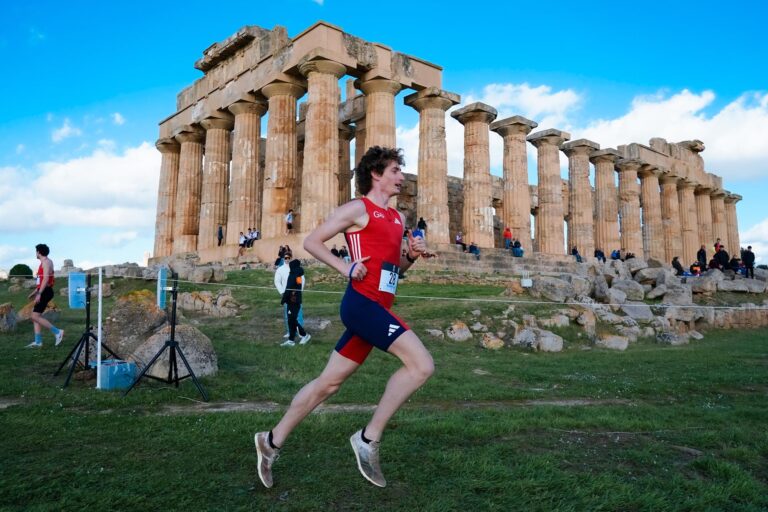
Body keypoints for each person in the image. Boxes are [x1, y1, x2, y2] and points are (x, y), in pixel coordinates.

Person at [254, 146, 433, 489]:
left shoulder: (398, 218)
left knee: (329, 384)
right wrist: (345, 266)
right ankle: (368, 439)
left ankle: (270, 441)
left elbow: (395, 268)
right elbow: (312, 241)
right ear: (376, 174)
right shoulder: (358, 209)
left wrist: (411, 256)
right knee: (421, 365)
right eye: (395, 170)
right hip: (361, 304)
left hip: (379, 306)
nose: (401, 177)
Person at [26, 244, 64, 348]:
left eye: (36, 251)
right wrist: (35, 292)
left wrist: (39, 293)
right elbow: (41, 281)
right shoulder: (43, 262)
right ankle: (38, 342)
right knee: (35, 317)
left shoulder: (47, 262)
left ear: (38, 252)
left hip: (45, 292)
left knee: (35, 316)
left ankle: (58, 332)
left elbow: (46, 280)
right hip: (43, 290)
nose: (36, 253)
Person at [280, 259, 311, 347]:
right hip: (292, 301)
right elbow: (293, 287)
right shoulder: (297, 274)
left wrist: (283, 300)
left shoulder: (294, 274)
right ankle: (291, 340)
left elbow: (288, 288)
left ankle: (305, 335)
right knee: (291, 320)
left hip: (293, 302)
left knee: (292, 320)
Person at [274, 252, 305, 342]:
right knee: (288, 315)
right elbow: (277, 281)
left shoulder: (297, 269)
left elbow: (301, 281)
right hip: (287, 295)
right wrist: (282, 292)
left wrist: (299, 292)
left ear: (291, 258)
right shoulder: (280, 269)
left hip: (296, 296)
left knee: (298, 314)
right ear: (283, 258)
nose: (287, 259)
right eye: (285, 258)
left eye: (288, 258)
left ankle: (300, 332)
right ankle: (290, 331)